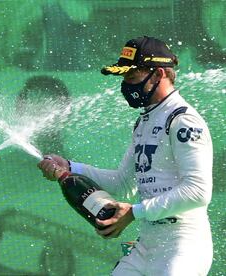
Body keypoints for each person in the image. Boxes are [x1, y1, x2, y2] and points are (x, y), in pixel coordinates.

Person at [38, 36, 213, 275]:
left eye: (131, 77)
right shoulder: (144, 121)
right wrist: (69, 166)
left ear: (159, 74)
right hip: (146, 246)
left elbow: (198, 192)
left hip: (183, 246)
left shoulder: (182, 120)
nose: (126, 85)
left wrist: (134, 212)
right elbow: (123, 183)